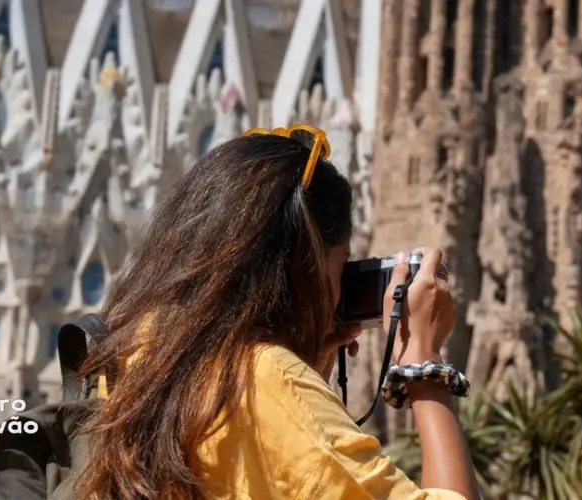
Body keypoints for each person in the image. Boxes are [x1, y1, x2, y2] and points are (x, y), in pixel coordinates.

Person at [68, 125, 479, 500]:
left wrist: (306, 360)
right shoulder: (268, 379)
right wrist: (423, 364)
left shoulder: (141, 341)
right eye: (340, 265)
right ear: (307, 265)